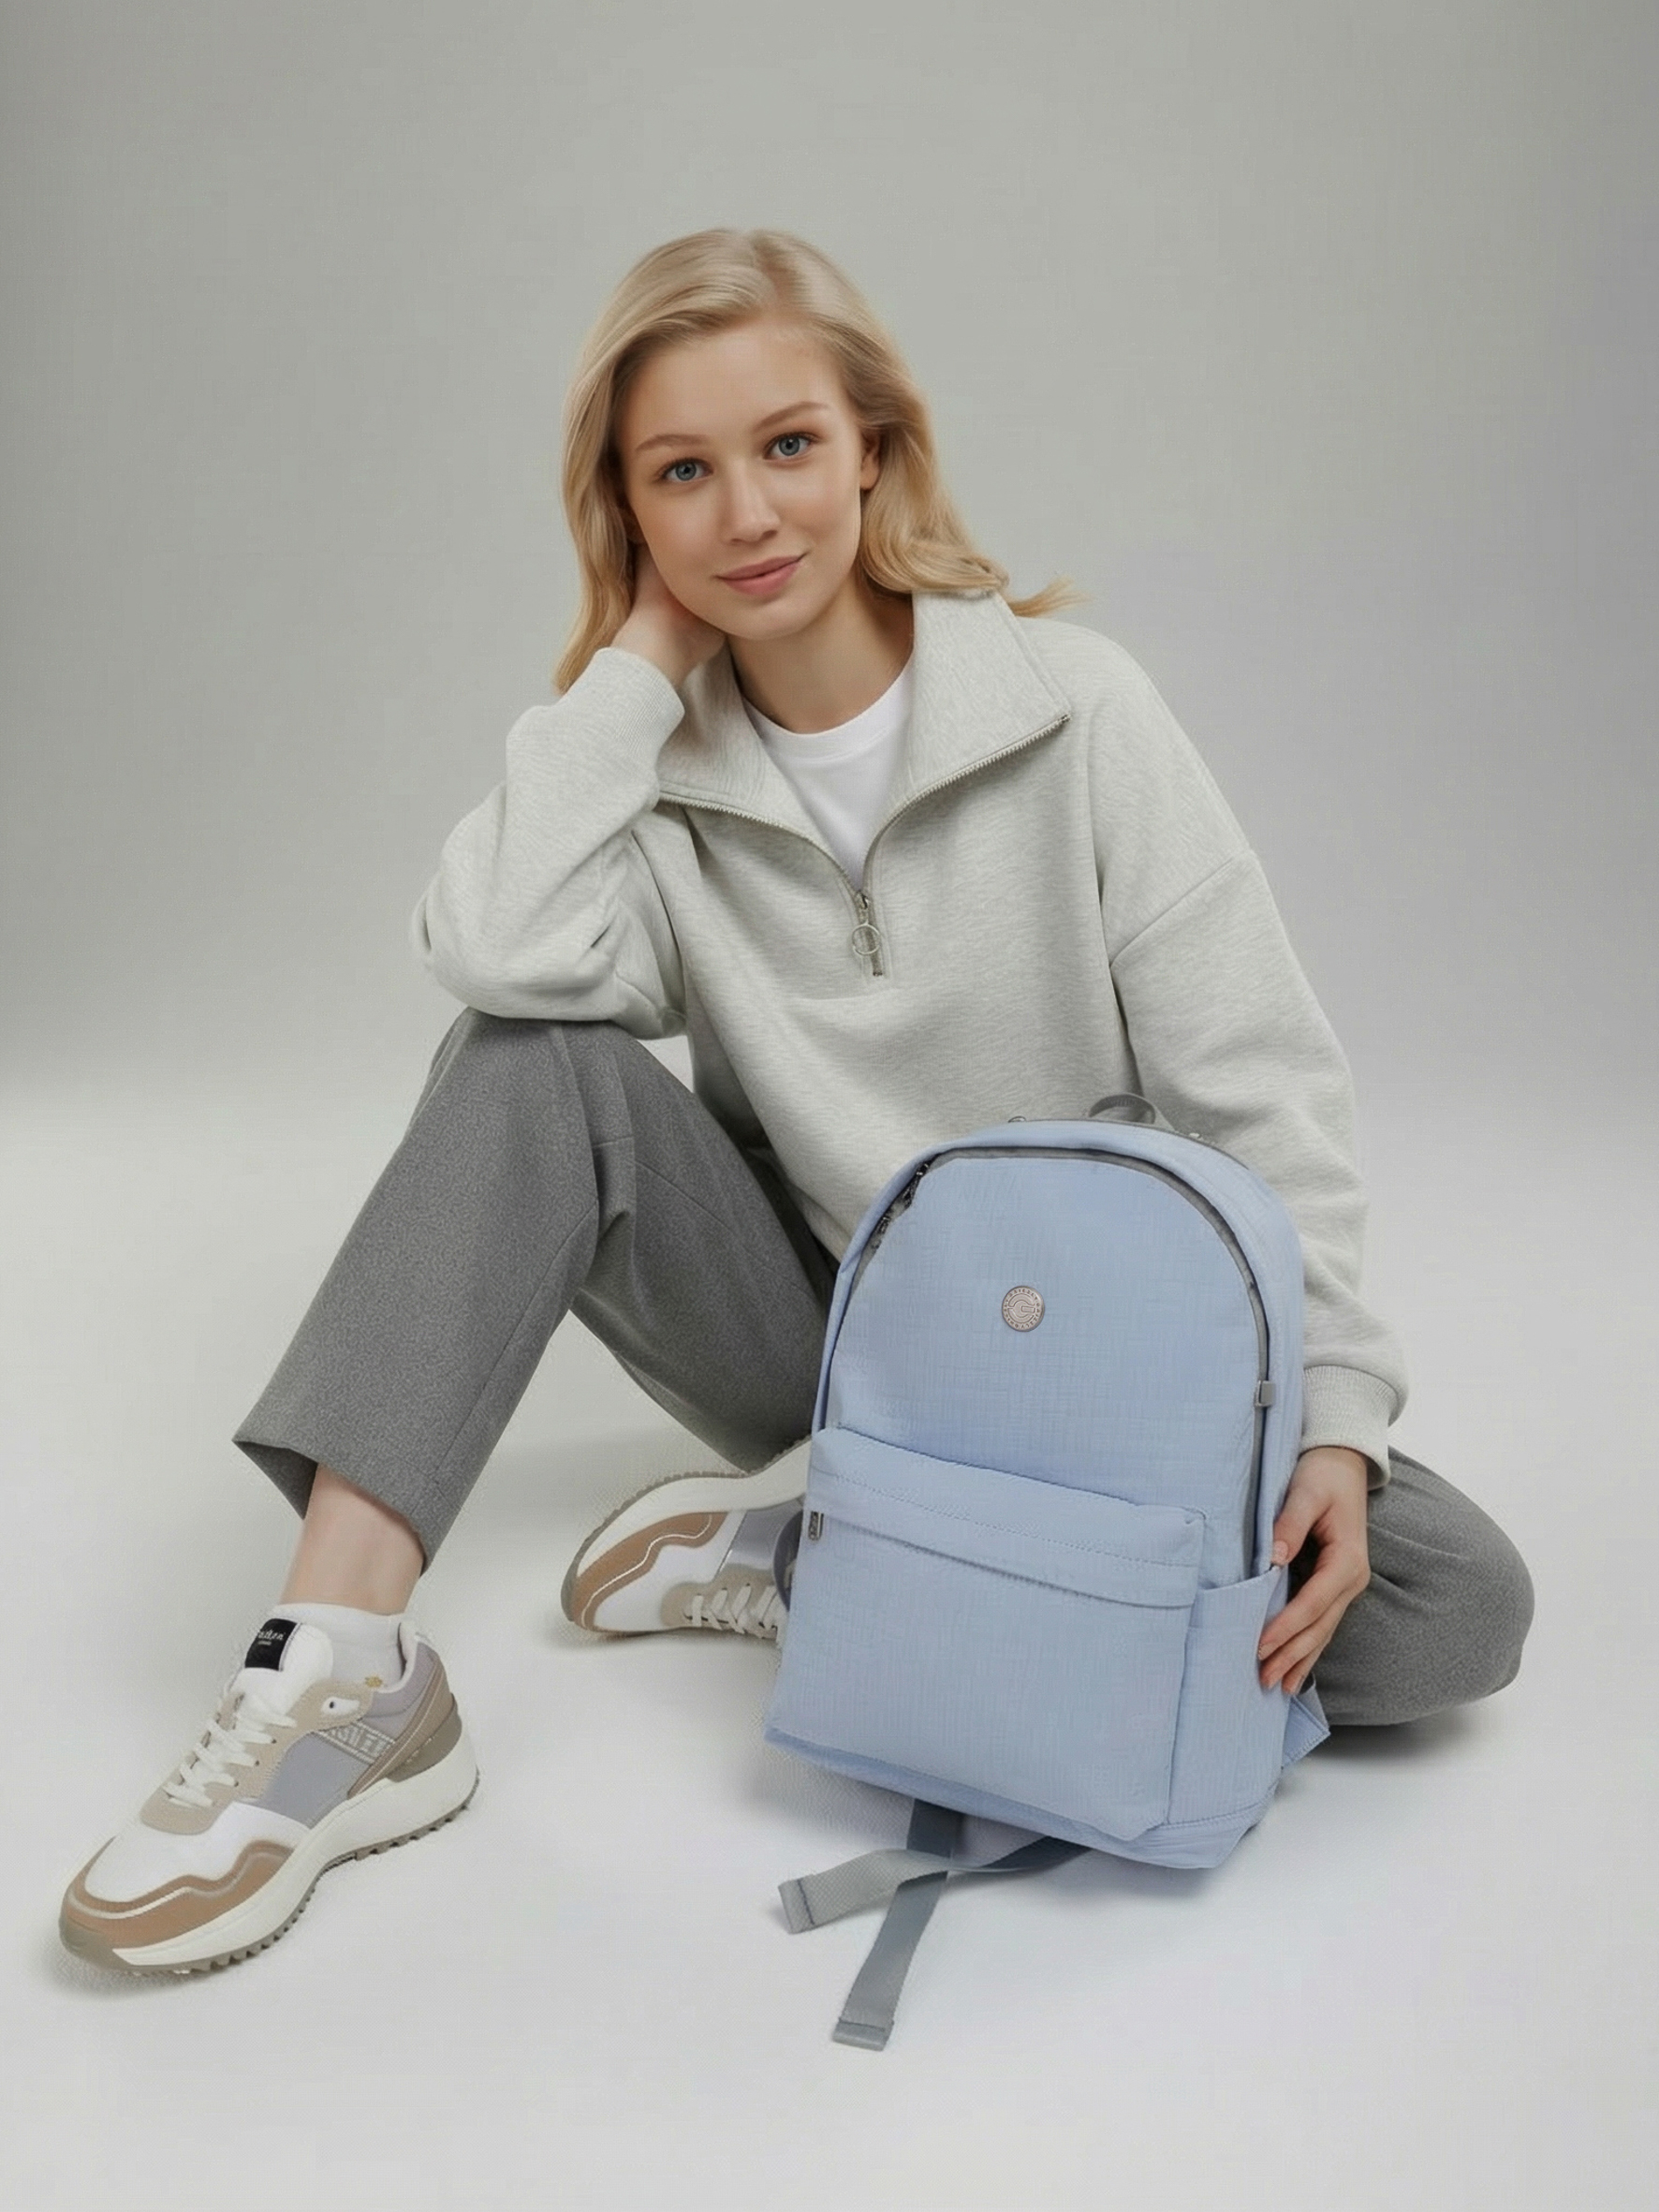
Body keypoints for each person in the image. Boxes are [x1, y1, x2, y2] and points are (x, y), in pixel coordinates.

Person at [60, 229, 1534, 1977]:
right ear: (627, 510)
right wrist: (632, 668)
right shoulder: (659, 778)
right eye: (681, 472)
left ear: (873, 452)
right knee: (527, 1062)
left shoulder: (1079, 713)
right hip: (829, 1345)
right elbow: (496, 944)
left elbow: (1263, 1087)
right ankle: (340, 1676)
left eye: (788, 446)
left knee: (1451, 1607)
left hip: (1090, 1371)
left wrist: (1337, 1413)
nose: (748, 513)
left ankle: (827, 1537)